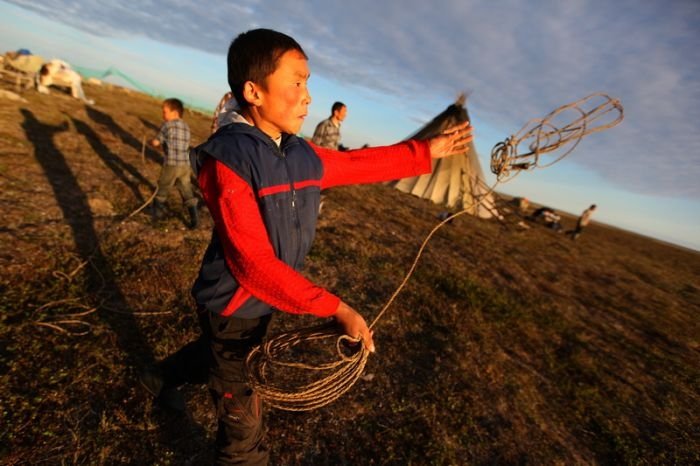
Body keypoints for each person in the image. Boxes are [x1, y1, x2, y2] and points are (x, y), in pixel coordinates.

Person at [140, 28, 472, 464]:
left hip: (264, 300)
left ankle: (157, 378)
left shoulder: (299, 154)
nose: (308, 96)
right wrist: (335, 307)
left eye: (308, 82)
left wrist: (424, 151)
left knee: (213, 356)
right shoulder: (229, 162)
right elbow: (253, 265)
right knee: (243, 420)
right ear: (253, 92)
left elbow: (357, 164)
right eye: (296, 81)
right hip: (231, 305)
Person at [150, 98, 199, 228]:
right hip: (185, 164)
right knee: (186, 189)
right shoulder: (186, 126)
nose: (163, 115)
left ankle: (157, 215)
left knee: (163, 186)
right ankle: (194, 218)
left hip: (171, 163)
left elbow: (156, 142)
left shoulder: (167, 125)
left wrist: (153, 142)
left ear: (175, 112)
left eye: (165, 112)